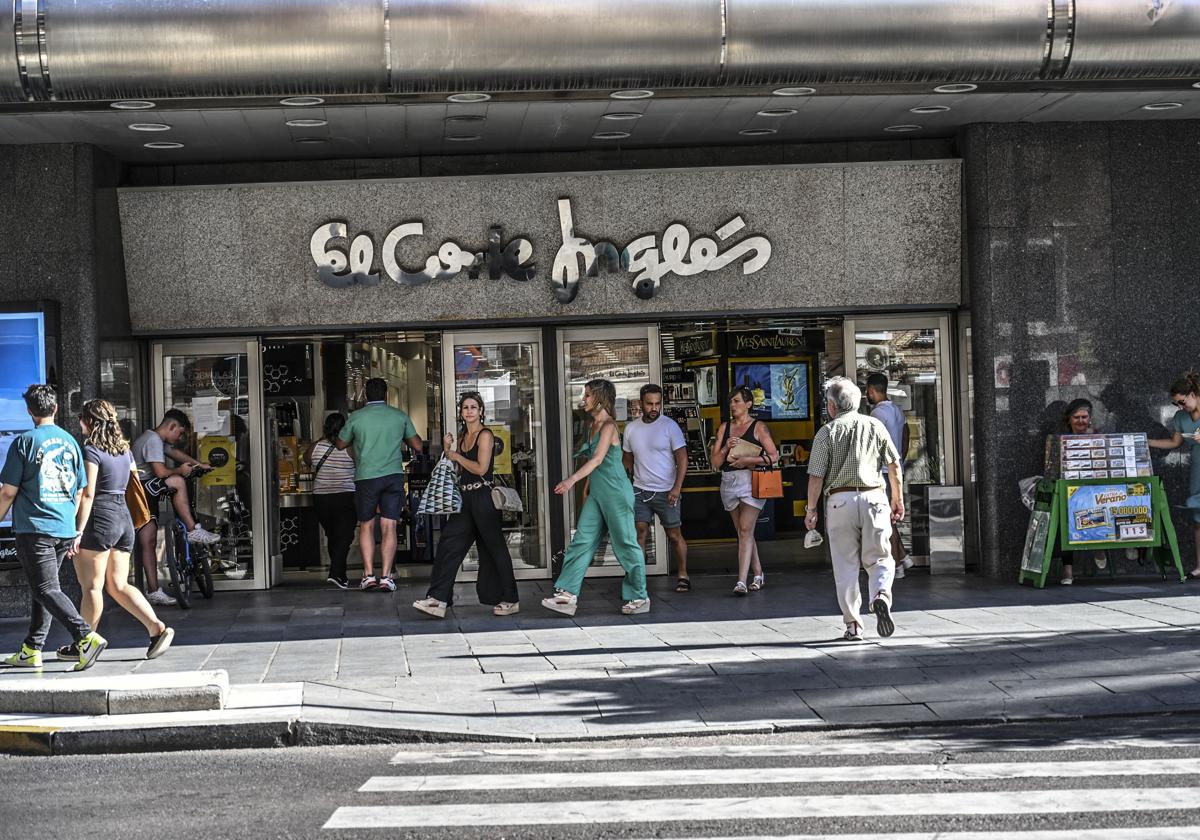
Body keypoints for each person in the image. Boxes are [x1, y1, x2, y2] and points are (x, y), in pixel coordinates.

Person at [0, 385, 107, 671]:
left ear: (29, 411)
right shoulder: (70, 442)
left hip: (35, 528)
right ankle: (31, 649)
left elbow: (8, 492)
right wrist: (70, 524)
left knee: (45, 588)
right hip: (63, 526)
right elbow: (80, 489)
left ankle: (85, 637)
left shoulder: (24, 442)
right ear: (56, 408)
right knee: (44, 587)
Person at [60, 399, 174, 661]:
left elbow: (88, 493)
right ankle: (157, 629)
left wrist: (77, 530)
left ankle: (84, 644)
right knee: (118, 584)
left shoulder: (91, 450)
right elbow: (134, 484)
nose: (79, 423)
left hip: (100, 519)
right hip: (124, 520)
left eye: (82, 418)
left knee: (92, 586)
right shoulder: (125, 451)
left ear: (89, 422)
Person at [805, 376, 903, 642]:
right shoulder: (875, 425)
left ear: (832, 406)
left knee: (845, 567)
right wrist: (898, 498)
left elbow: (816, 475)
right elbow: (893, 465)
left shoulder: (826, 432)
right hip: (873, 497)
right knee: (881, 557)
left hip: (839, 501)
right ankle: (881, 595)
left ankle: (853, 626)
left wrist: (810, 509)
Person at [542, 379, 649, 616]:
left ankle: (639, 596)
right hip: (598, 492)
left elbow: (598, 459)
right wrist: (588, 485)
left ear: (600, 397)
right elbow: (597, 463)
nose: (584, 399)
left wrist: (571, 481)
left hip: (616, 493)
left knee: (625, 544)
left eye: (587, 395)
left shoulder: (609, 426)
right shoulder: (593, 424)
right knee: (582, 540)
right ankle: (567, 594)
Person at [414, 391, 520, 618]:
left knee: (495, 549)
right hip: (465, 499)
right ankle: (438, 599)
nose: (469, 411)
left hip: (483, 499)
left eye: (473, 407)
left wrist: (456, 456)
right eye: (465, 408)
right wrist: (447, 449)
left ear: (481, 410)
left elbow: (481, 469)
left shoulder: (485, 435)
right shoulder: (461, 439)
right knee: (448, 545)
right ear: (461, 413)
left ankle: (511, 598)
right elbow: (458, 469)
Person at [337, 377, 423, 592]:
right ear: (386, 395)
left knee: (366, 525)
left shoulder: (356, 417)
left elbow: (340, 443)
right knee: (389, 525)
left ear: (366, 395)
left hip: (366, 476)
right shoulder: (399, 416)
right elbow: (417, 445)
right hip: (393, 475)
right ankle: (386, 576)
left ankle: (368, 575)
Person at [131, 409, 220, 606]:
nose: (179, 438)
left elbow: (175, 453)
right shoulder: (152, 440)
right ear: (171, 426)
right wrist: (181, 470)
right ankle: (192, 530)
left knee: (148, 540)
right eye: (179, 433)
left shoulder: (155, 439)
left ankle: (153, 590)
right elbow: (161, 472)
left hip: (142, 492)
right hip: (142, 489)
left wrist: (198, 465)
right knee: (177, 481)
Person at [710, 386, 779, 595]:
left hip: (751, 481)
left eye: (737, 401)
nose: (733, 405)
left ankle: (741, 581)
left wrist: (749, 459)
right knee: (743, 532)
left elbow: (774, 456)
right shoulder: (724, 428)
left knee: (745, 529)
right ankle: (758, 574)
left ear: (749, 404)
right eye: (731, 401)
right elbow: (715, 462)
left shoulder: (758, 427)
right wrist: (724, 448)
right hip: (729, 481)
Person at [622, 384, 690, 592]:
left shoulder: (669, 426)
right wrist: (627, 485)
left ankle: (683, 574)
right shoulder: (631, 429)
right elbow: (627, 460)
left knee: (673, 535)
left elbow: (682, 458)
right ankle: (638, 578)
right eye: (650, 403)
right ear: (640, 403)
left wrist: (677, 487)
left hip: (666, 490)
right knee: (639, 533)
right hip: (639, 490)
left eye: (658, 403)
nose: (654, 408)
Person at [1149, 374, 1200, 579]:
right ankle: (1199, 564)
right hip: (1197, 466)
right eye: (1176, 403)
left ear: (1193, 394)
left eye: (1182, 401)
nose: (1180, 406)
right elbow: (1174, 443)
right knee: (1198, 516)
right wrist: (1147, 442)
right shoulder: (1181, 417)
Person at [865, 373, 913, 578]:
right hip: (896, 468)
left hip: (882, 472)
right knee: (889, 518)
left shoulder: (877, 414)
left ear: (871, 390)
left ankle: (897, 565)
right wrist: (900, 459)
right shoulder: (897, 411)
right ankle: (903, 556)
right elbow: (906, 435)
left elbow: (872, 445)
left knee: (886, 521)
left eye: (867, 391)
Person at [305, 412, 357, 589]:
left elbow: (306, 460)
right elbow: (362, 465)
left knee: (333, 535)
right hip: (345, 496)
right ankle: (335, 572)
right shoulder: (350, 448)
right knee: (345, 536)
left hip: (321, 498)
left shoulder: (315, 447)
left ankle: (340, 575)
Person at [1054, 398, 1100, 585]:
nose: (1081, 421)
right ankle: (1068, 570)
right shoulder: (1061, 439)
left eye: (1084, 417)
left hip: (1093, 488)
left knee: (1101, 506)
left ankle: (1100, 547)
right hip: (1070, 490)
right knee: (1067, 521)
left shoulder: (1098, 436)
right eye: (1077, 417)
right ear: (1069, 419)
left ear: (1090, 418)